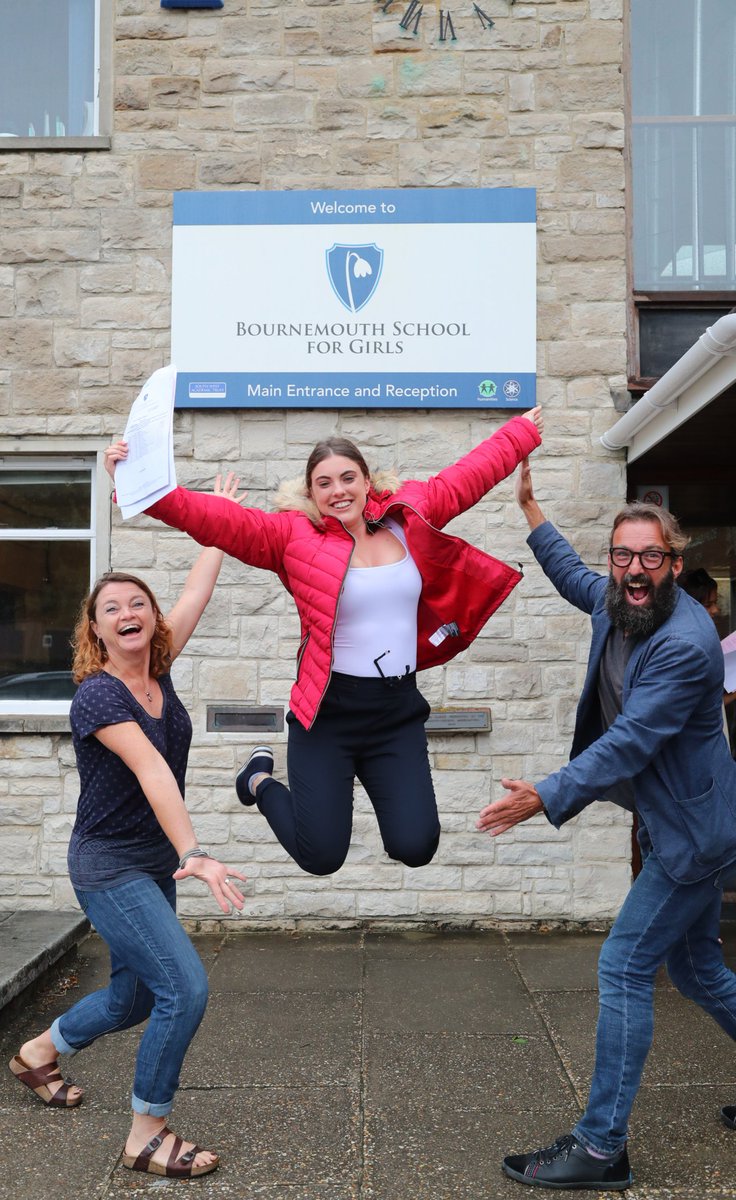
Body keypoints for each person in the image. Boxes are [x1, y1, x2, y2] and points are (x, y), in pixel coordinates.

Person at [104, 409, 542, 878]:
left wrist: (522, 430)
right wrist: (135, 486)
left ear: (367, 481)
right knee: (321, 856)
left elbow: (467, 476)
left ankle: (284, 782)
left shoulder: (408, 513)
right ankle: (257, 780)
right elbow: (211, 519)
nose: (339, 491)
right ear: (310, 493)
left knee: (416, 845)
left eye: (348, 478)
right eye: (324, 483)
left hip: (396, 713)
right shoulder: (293, 536)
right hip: (328, 714)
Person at [477, 459, 736, 1192]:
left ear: (675, 565)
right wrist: (531, 512)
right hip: (673, 820)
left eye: (650, 556)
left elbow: (631, 742)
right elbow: (572, 579)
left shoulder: (685, 645)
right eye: (622, 555)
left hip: (692, 838)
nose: (632, 568)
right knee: (698, 971)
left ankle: (601, 1147)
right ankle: (601, 1143)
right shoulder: (621, 603)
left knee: (623, 966)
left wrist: (547, 794)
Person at [9, 475, 247, 1181]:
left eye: (137, 602)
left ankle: (37, 1054)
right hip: (110, 865)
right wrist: (195, 852)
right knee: (185, 988)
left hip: (147, 860)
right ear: (97, 628)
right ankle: (148, 1131)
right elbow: (151, 771)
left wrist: (220, 519)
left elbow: (199, 590)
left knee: (137, 994)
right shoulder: (99, 694)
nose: (127, 612)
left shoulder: (160, 669)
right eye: (111, 607)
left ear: (150, 618)